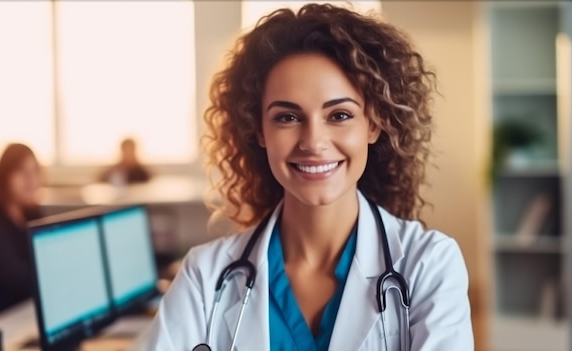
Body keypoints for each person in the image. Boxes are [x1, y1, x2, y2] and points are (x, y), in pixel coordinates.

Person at [138, 4, 473, 350]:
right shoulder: (205, 276)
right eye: (287, 117)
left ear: (373, 124)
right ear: (260, 131)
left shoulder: (430, 265)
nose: (313, 142)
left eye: (339, 115)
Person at [0, 143, 43, 317]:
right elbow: (17, 280)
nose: (30, 180)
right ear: (4, 177)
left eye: (34, 171)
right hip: (6, 319)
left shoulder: (33, 215)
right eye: (22, 172)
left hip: (32, 311)